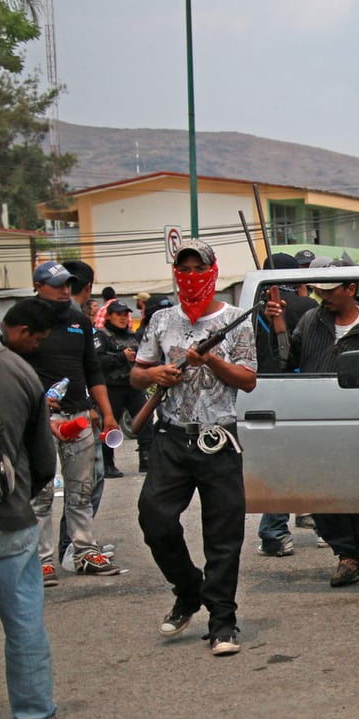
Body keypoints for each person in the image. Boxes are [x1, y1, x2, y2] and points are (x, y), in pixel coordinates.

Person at [132, 239, 257, 657]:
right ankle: (189, 591)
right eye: (182, 268)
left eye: (196, 268)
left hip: (218, 438)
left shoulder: (237, 320)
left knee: (223, 533)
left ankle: (223, 622)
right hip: (171, 436)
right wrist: (158, 374)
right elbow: (137, 373)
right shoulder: (161, 320)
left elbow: (247, 379)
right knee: (155, 519)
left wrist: (212, 362)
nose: (189, 276)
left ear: (212, 270)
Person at [0, 273, 59, 719]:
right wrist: (19, 496)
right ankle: (35, 714)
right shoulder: (18, 369)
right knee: (24, 627)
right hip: (10, 521)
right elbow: (44, 461)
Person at [273, 259, 359, 587]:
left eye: (330, 290)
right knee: (324, 490)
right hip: (318, 417)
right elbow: (285, 363)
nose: (323, 297)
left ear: (352, 289)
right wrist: (280, 328)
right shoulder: (311, 320)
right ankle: (347, 556)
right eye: (319, 290)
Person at [24, 261, 121, 584]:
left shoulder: (79, 322)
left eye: (69, 283)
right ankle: (41, 561)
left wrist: (107, 414)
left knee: (81, 489)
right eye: (58, 284)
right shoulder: (24, 321)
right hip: (40, 419)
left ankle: (84, 551)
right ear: (39, 286)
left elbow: (92, 370)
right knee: (41, 493)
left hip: (79, 415)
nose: (65, 289)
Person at [255, 253, 318, 557]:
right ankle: (324, 526)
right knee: (313, 459)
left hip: (265, 391)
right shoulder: (308, 306)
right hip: (305, 390)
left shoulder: (251, 308)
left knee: (279, 464)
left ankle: (275, 532)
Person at [95, 300, 152, 477]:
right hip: (112, 389)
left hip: (132, 386)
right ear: (110, 316)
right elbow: (97, 361)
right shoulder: (101, 336)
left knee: (145, 421)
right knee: (110, 425)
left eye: (124, 314)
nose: (122, 318)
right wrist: (121, 356)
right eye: (118, 314)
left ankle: (146, 460)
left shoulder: (131, 335)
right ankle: (107, 464)